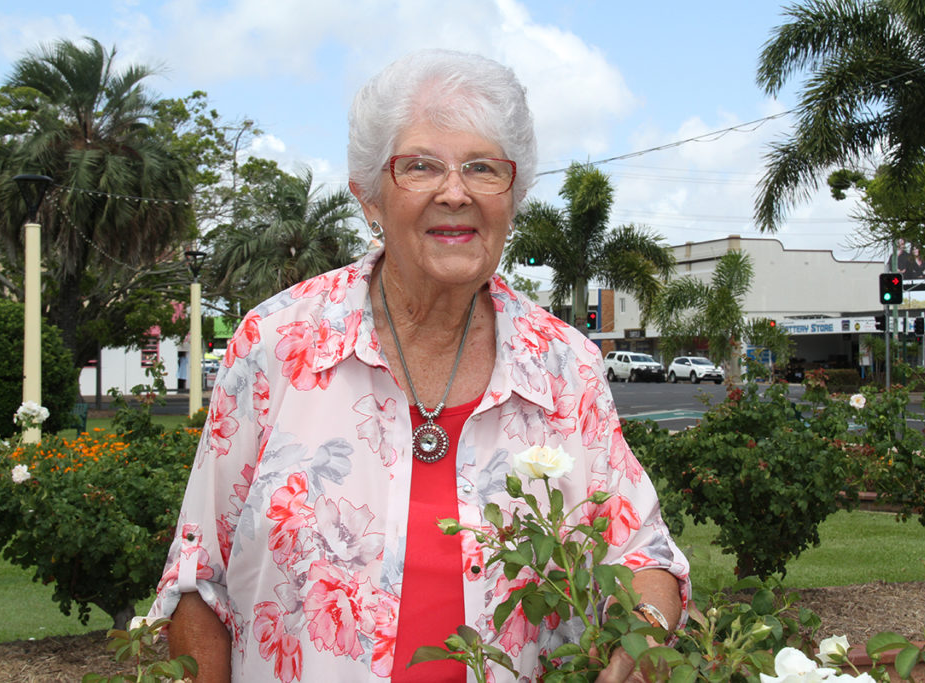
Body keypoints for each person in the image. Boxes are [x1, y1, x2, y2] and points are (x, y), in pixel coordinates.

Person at [148, 49, 689, 682]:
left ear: (512, 198)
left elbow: (644, 556)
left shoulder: (566, 366)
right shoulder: (277, 342)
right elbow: (197, 577)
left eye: (483, 168)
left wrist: (637, 650)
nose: (454, 192)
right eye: (421, 166)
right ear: (370, 198)